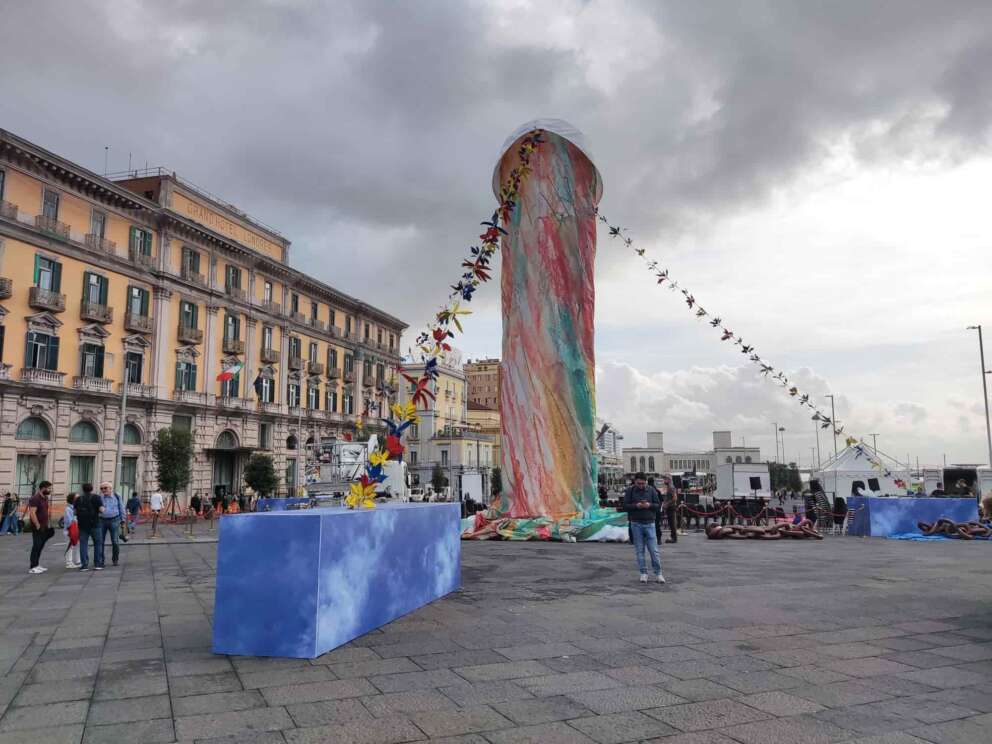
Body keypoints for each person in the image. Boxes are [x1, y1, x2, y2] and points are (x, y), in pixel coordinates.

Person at [623, 472, 664, 584]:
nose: (641, 486)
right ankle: (643, 573)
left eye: (643, 483)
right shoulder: (630, 491)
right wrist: (636, 506)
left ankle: (658, 573)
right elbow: (625, 506)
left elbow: (658, 505)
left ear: (646, 482)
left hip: (650, 523)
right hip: (636, 524)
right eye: (638, 483)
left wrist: (649, 505)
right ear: (634, 482)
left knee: (653, 550)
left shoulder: (651, 490)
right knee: (639, 550)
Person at [27, 481, 54, 574]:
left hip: (44, 525)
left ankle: (37, 564)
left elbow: (46, 512)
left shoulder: (45, 498)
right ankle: (32, 566)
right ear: (43, 488)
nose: (50, 490)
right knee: (36, 545)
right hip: (37, 526)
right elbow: (32, 513)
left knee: (41, 545)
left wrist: (48, 524)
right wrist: (37, 525)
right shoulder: (35, 498)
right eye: (49, 488)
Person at [75, 483, 102, 570]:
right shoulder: (96, 497)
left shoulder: (79, 499)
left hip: (82, 525)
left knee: (83, 544)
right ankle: (97, 564)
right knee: (97, 543)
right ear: (92, 489)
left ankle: (84, 565)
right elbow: (102, 510)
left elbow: (74, 512)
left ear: (83, 489)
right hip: (95, 524)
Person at [98, 482, 125, 567]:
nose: (103, 490)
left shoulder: (117, 496)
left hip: (114, 520)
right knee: (100, 541)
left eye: (105, 488)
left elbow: (121, 507)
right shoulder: (99, 497)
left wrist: (123, 520)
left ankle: (115, 559)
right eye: (101, 488)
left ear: (110, 488)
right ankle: (101, 560)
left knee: (115, 541)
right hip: (102, 521)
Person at [63, 494, 81, 568]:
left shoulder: (76, 508)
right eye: (77, 498)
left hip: (76, 529)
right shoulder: (68, 509)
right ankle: (69, 563)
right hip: (69, 530)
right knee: (70, 546)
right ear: (72, 499)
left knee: (77, 545)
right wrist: (76, 520)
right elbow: (68, 521)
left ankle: (78, 561)